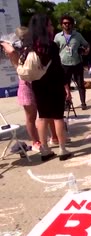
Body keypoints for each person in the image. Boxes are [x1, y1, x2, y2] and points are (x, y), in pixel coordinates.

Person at [2, 14, 73, 161]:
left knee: (42, 117)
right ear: (44, 27)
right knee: (58, 117)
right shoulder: (51, 46)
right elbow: (58, 69)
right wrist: (66, 86)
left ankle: (45, 150)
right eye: (49, 25)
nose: (52, 27)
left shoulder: (29, 46)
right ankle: (62, 149)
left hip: (38, 85)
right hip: (54, 85)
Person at [54, 15, 89, 110]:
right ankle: (67, 103)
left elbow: (86, 45)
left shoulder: (77, 35)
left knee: (80, 84)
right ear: (61, 25)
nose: (67, 25)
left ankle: (83, 103)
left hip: (77, 62)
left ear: (72, 25)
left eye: (69, 23)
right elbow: (54, 49)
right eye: (65, 23)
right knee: (66, 85)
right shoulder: (58, 36)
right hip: (64, 64)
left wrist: (86, 51)